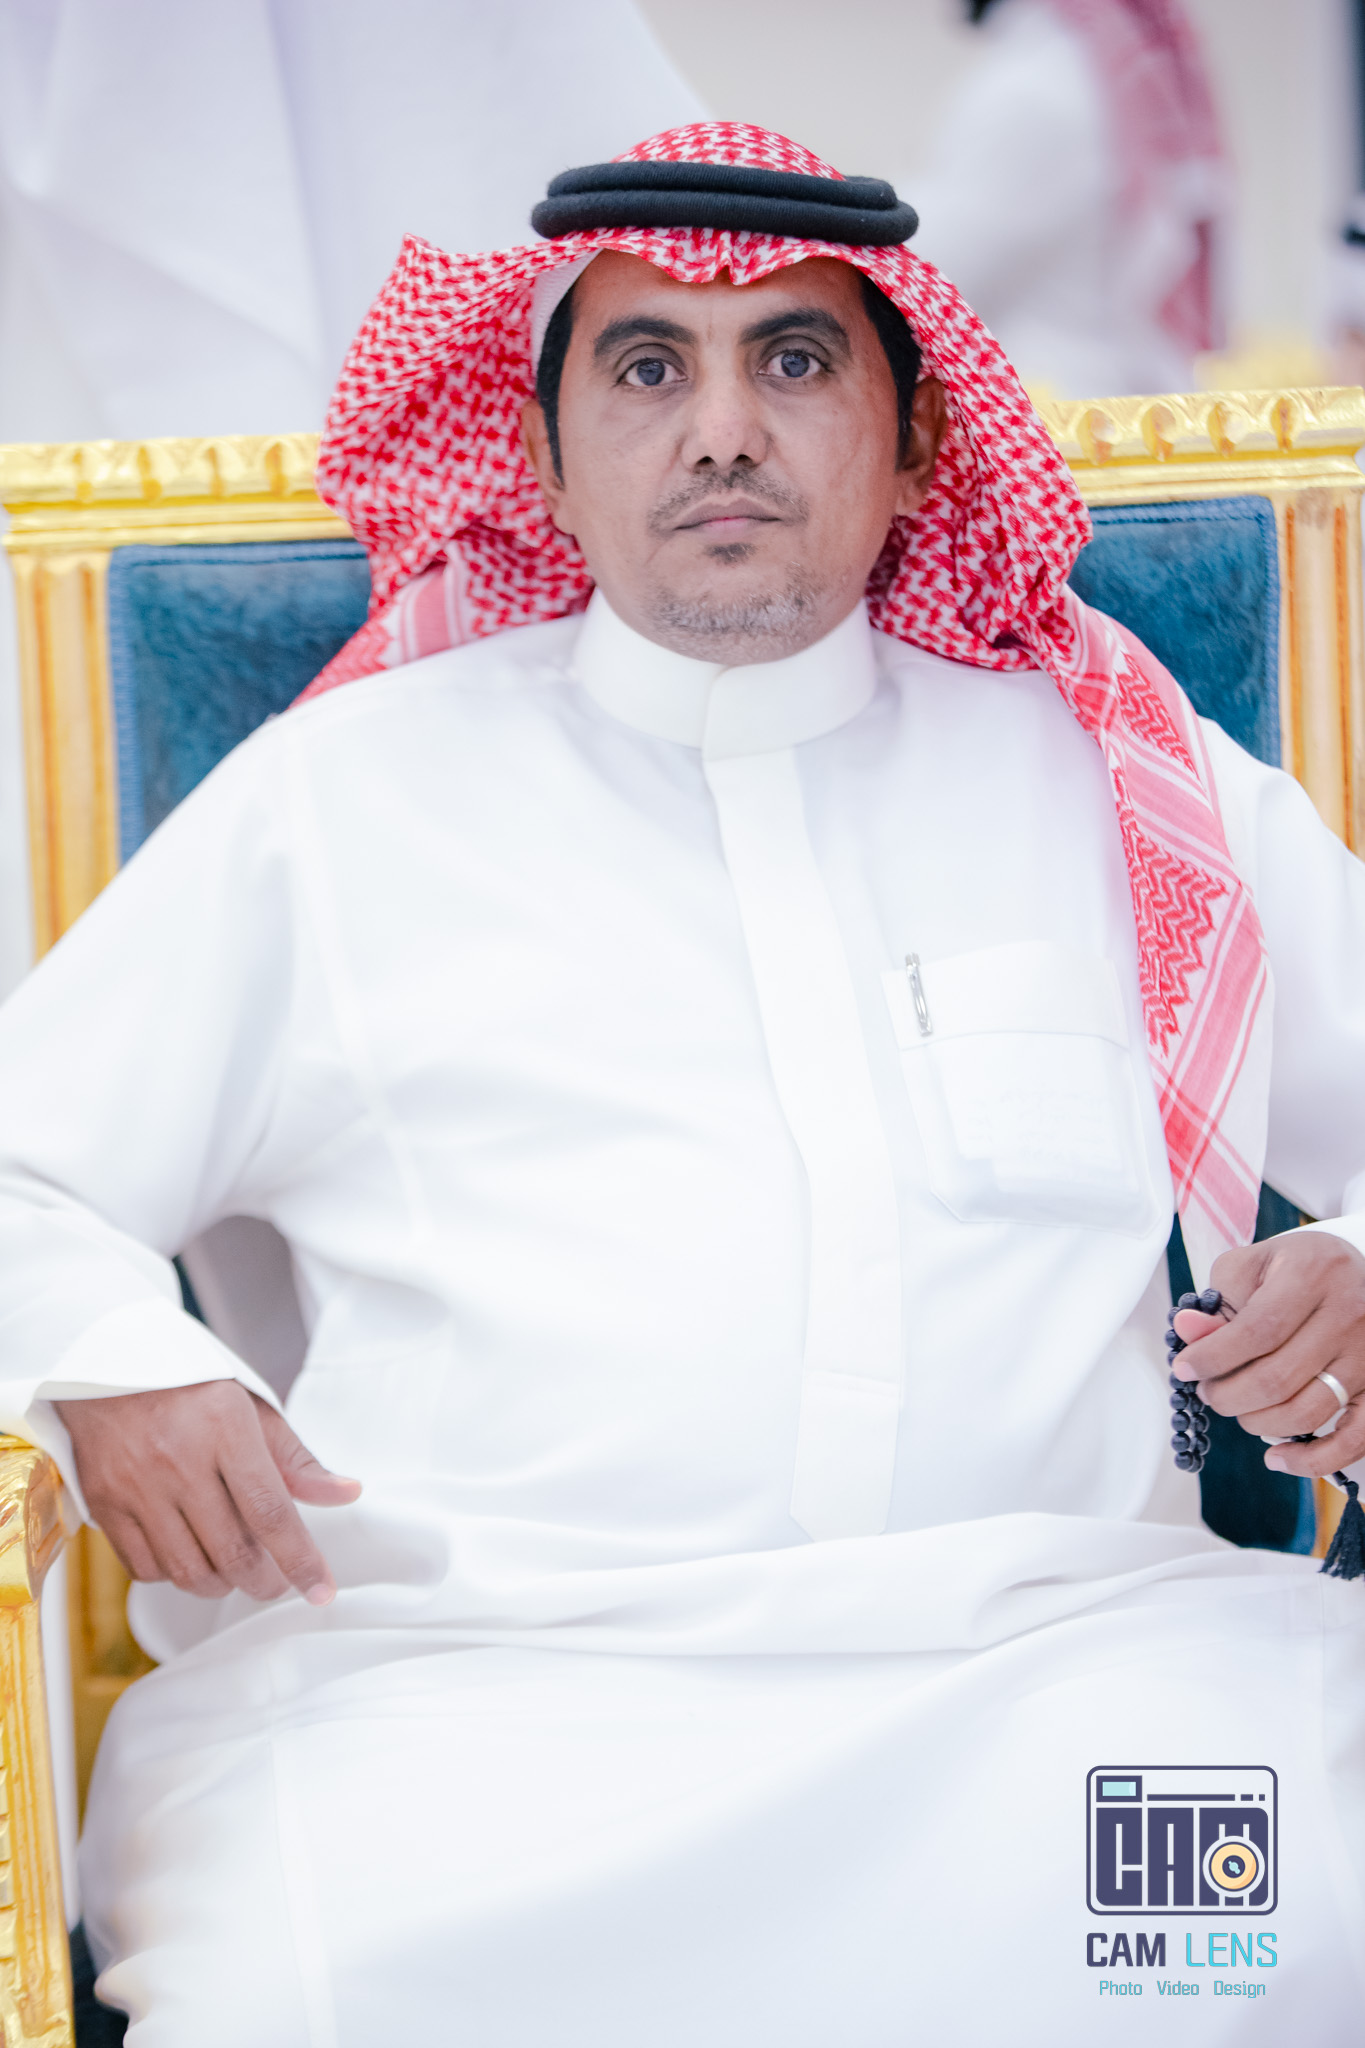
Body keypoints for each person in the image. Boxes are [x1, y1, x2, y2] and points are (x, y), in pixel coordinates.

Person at [0, 122, 1362, 2044]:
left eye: (794, 359)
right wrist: (108, 1354)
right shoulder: (338, 803)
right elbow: (23, 1170)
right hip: (458, 1703)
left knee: (1272, 1936)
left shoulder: (1124, 786)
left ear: (916, 439)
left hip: (1064, 1672)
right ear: (545, 457)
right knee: (309, 1993)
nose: (723, 431)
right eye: (648, 367)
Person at [909, 0, 1227, 395]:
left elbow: (929, 275)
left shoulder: (1035, 91)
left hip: (1050, 405)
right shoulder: (1088, 76)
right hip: (1110, 395)